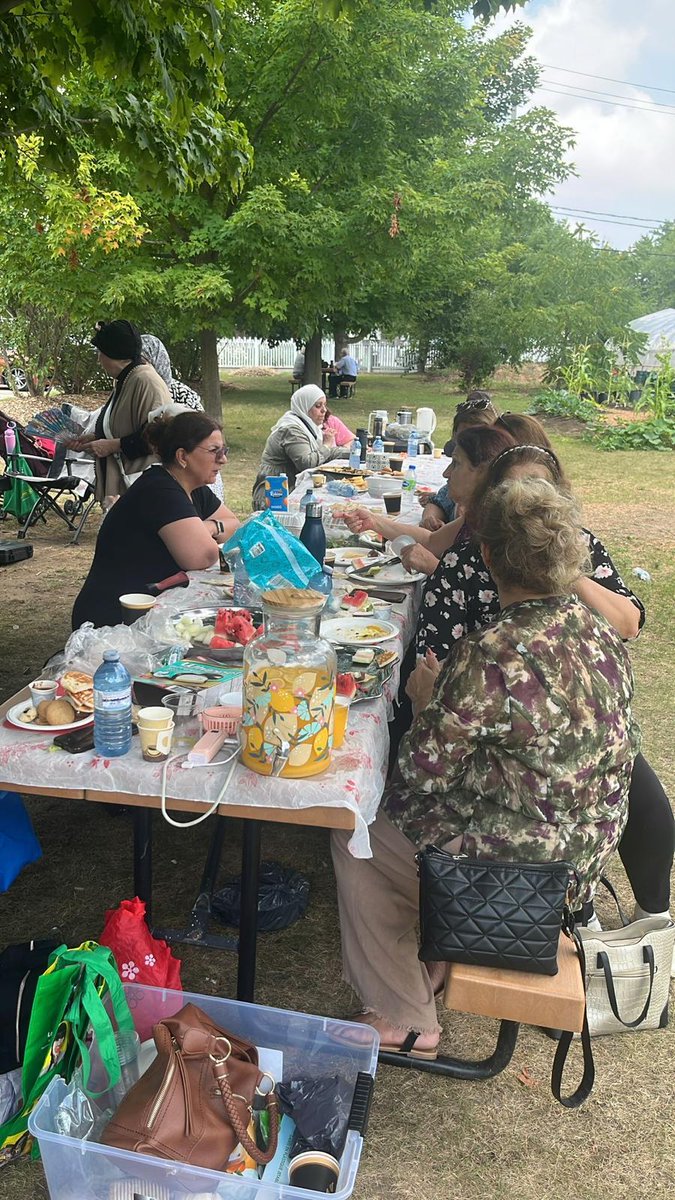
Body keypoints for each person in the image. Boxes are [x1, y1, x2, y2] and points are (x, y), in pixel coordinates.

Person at [330, 477, 639, 1055]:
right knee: (404, 823)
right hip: (580, 864)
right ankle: (438, 956)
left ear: (490, 555)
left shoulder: (493, 650)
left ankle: (405, 1016)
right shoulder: (598, 630)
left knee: (357, 835)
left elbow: (422, 772)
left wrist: (425, 699)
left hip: (520, 879)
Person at [415, 442, 673, 931]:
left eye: (539, 492)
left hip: (573, 729)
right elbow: (440, 660)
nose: (528, 508)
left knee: (641, 800)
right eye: (514, 494)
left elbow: (628, 622)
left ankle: (643, 921)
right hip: (499, 725)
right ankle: (576, 910)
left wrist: (558, 565)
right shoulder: (465, 567)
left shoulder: (579, 561)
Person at [72, 412, 239, 629]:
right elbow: (203, 556)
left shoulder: (192, 487)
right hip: (115, 618)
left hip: (148, 604)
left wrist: (208, 527)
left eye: (224, 450)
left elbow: (234, 525)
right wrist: (209, 532)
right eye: (214, 451)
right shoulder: (160, 490)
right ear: (182, 456)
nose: (223, 459)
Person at [341, 425, 515, 578]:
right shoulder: (476, 517)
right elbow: (432, 541)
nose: (446, 473)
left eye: (456, 463)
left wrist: (433, 567)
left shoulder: (502, 529)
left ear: (483, 473)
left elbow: (488, 598)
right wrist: (373, 522)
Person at [71, 320, 170, 502]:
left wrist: (112, 445)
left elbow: (159, 436)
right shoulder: (127, 379)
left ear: (113, 354)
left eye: (101, 353)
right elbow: (123, 425)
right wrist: (96, 437)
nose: (99, 359)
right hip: (126, 486)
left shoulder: (145, 381)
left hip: (143, 487)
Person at [141, 334, 224, 501]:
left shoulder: (182, 394)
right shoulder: (164, 485)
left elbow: (203, 434)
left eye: (143, 364)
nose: (224, 459)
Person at [252, 385, 344, 507]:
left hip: (289, 489)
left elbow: (326, 453)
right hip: (274, 494)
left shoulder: (308, 427)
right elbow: (307, 462)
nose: (324, 410)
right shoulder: (292, 430)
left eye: (324, 405)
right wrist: (326, 445)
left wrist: (355, 452)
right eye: (318, 406)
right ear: (304, 407)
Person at [418, 391, 498, 532]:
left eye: (476, 437)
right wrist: (431, 518)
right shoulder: (460, 471)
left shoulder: (495, 498)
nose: (446, 473)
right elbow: (440, 501)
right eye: (462, 436)